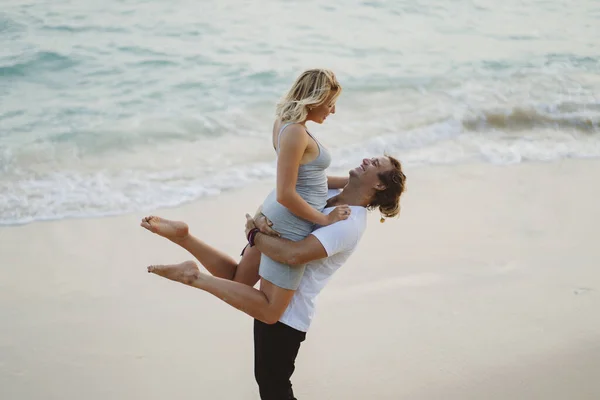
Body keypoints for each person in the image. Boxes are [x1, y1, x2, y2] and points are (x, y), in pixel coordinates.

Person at [141, 154, 406, 399]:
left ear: (380, 186)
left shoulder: (349, 223)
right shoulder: (334, 191)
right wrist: (258, 233)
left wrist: (254, 235)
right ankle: (187, 248)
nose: (366, 160)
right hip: (276, 290)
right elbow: (306, 181)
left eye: (375, 164)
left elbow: (295, 255)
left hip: (288, 314)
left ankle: (192, 269)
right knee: (273, 386)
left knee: (273, 387)